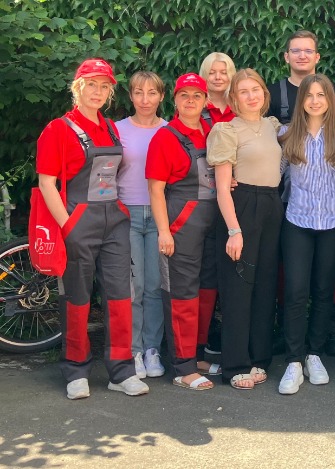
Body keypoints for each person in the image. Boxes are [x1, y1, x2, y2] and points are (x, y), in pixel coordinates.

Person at [36, 58, 149, 399]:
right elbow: (46, 183)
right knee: (77, 298)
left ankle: (121, 371)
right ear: (78, 87)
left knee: (120, 297)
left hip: (114, 222)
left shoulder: (110, 128)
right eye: (91, 85)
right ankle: (75, 370)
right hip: (78, 221)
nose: (98, 92)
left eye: (104, 86)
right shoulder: (58, 129)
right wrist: (67, 225)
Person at [206, 68, 284, 390]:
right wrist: (233, 231)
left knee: (265, 285)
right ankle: (235, 364)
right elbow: (222, 188)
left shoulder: (272, 126)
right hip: (242, 206)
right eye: (244, 91)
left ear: (264, 94)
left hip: (272, 205)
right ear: (234, 98)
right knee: (238, 285)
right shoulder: (226, 130)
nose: (251, 96)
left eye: (256, 90)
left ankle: (258, 358)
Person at [275, 73, 335, 395]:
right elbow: (272, 173)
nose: (315, 101)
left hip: (333, 222)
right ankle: (294, 360)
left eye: (321, 95)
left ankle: (314, 354)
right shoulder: (286, 135)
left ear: (329, 100)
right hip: (297, 221)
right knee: (295, 291)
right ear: (300, 100)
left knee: (323, 290)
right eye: (309, 95)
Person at [145, 72, 217, 391]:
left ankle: (197, 355)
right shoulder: (165, 137)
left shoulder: (212, 132)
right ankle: (182, 365)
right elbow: (155, 189)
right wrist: (164, 231)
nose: (190, 100)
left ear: (206, 101)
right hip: (181, 222)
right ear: (174, 100)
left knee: (207, 289)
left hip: (213, 221)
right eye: (184, 95)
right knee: (182, 292)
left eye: (197, 95)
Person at [115, 71, 167, 380]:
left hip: (160, 215)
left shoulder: (170, 130)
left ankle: (152, 348)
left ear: (162, 96)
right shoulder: (117, 130)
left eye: (151, 93)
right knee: (133, 287)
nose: (145, 99)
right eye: (138, 92)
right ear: (131, 96)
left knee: (155, 286)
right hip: (128, 214)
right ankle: (133, 350)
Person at [196, 51, 237, 376]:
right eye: (213, 72)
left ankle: (230, 339)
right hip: (203, 200)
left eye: (224, 72)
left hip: (238, 200)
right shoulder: (195, 108)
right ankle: (201, 341)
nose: (219, 77)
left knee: (234, 273)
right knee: (206, 274)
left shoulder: (240, 108)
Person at [266, 30, 335, 125]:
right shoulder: (271, 94)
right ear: (287, 57)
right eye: (296, 51)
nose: (302, 56)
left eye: (308, 51)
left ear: (317, 57)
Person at [199, 52, 237, 125]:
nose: (217, 77)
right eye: (211, 73)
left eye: (224, 73)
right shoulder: (195, 106)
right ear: (204, 75)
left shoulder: (241, 106)